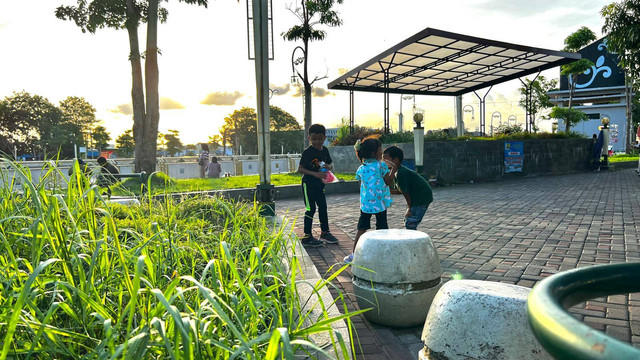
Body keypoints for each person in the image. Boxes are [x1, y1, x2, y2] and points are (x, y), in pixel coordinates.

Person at [343, 136, 395, 263]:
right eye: (380, 150)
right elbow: (388, 182)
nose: (382, 153)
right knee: (382, 228)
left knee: (362, 228)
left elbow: (362, 186)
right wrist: (394, 169)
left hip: (365, 204)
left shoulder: (361, 168)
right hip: (380, 204)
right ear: (374, 153)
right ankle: (384, 254)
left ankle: (354, 254)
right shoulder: (381, 166)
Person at [297, 124, 340, 247]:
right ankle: (307, 236)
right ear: (309, 138)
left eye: (320, 139)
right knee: (311, 209)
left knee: (323, 207)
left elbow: (329, 163)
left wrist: (328, 167)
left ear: (324, 138)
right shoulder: (307, 152)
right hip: (308, 184)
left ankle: (325, 232)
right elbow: (300, 169)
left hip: (320, 185)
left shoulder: (325, 150)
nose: (317, 142)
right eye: (314, 139)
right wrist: (315, 174)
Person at [383, 146, 433, 230]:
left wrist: (409, 208)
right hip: (420, 196)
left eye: (385, 160)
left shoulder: (401, 173)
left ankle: (414, 241)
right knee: (409, 221)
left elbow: (405, 193)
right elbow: (401, 190)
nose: (383, 163)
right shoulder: (396, 171)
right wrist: (390, 191)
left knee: (410, 222)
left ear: (395, 160)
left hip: (420, 199)